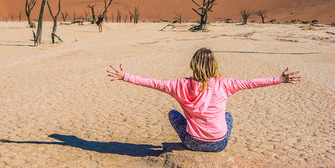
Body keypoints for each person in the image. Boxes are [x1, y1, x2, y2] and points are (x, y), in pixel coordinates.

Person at [107, 48, 300, 152]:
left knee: (173, 114)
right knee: (228, 116)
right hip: (219, 144)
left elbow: (153, 83)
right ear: (214, 65)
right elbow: (251, 83)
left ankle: (189, 141)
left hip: (192, 142)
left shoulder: (178, 85)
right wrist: (280, 79)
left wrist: (126, 76)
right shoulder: (225, 84)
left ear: (193, 65)